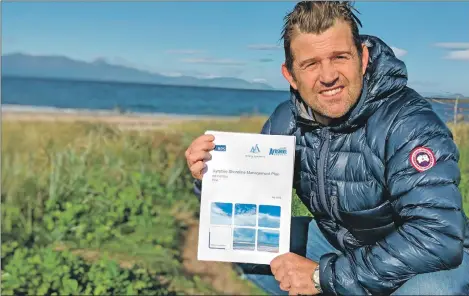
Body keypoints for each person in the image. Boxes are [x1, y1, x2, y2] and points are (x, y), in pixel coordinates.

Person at [185, 1, 469, 295]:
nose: (328, 75)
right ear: (291, 75)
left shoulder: (409, 124)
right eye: (310, 64)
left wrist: (323, 277)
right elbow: (250, 202)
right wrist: (212, 175)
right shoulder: (285, 120)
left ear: (362, 57)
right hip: (342, 243)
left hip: (428, 258)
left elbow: (438, 236)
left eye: (340, 57)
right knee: (248, 249)